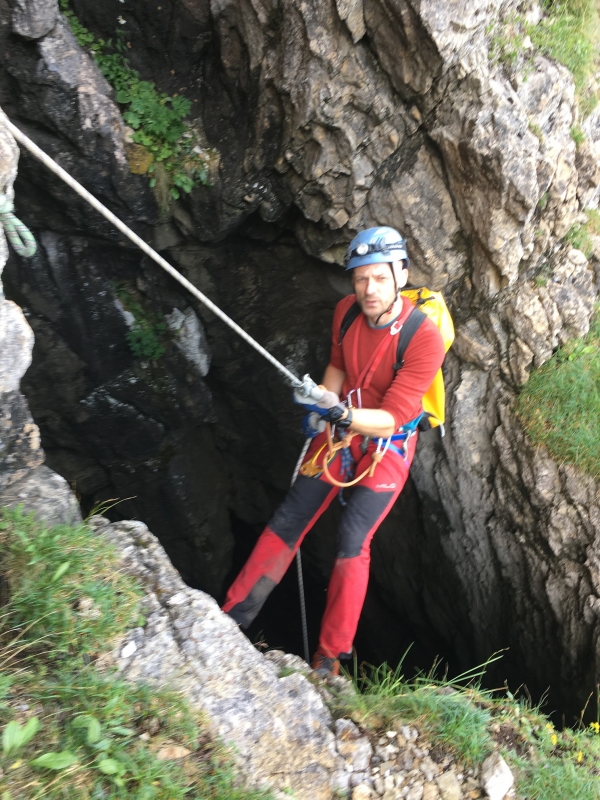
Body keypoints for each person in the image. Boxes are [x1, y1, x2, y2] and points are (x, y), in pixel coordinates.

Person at [222, 226, 446, 676]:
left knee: (351, 540)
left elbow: (395, 416)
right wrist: (324, 403)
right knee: (289, 518)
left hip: (387, 446)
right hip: (342, 432)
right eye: (361, 278)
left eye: (380, 278)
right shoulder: (346, 312)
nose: (369, 289)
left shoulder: (423, 338)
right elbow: (339, 367)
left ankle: (330, 658)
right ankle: (231, 617)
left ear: (400, 275)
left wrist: (340, 416)